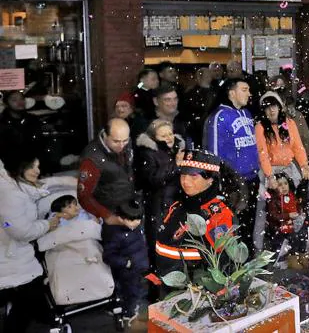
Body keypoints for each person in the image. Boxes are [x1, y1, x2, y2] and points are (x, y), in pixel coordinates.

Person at [78, 118, 148, 322]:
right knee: (123, 265)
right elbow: (84, 196)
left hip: (130, 209)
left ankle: (130, 300)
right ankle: (125, 306)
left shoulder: (125, 146)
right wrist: (109, 218)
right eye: (116, 141)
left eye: (126, 141)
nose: (122, 146)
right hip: (113, 218)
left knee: (135, 259)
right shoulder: (92, 158)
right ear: (104, 135)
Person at [0, 156, 61, 333]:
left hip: (11, 254)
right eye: (32, 167)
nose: (37, 171)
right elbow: (18, 230)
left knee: (29, 297)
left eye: (38, 166)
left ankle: (47, 317)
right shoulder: (8, 191)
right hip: (12, 259)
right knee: (26, 303)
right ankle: (49, 319)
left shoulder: (8, 182)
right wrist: (47, 225)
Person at [154, 150, 235, 279]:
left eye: (194, 176)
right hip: (167, 285)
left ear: (210, 179)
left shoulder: (217, 215)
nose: (185, 181)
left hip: (195, 291)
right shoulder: (178, 206)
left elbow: (224, 265)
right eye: (183, 174)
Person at [254, 91, 309, 251]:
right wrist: (269, 176)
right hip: (270, 170)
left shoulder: (289, 123)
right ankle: (260, 249)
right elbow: (262, 153)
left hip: (289, 170)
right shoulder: (260, 127)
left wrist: (304, 165)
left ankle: (297, 245)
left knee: (295, 205)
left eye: (273, 106)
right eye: (267, 108)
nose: (271, 111)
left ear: (280, 107)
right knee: (266, 209)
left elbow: (298, 147)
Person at [204, 78, 259, 246]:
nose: (249, 94)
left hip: (252, 178)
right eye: (244, 89)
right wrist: (218, 182)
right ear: (231, 92)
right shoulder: (219, 116)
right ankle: (234, 264)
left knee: (250, 225)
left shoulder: (247, 113)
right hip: (232, 183)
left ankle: (248, 259)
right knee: (232, 227)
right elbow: (212, 152)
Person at [37, 196, 115, 307]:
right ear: (60, 211)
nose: (75, 208)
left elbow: (96, 226)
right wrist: (57, 217)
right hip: (64, 248)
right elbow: (49, 235)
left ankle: (99, 287)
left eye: (75, 204)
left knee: (94, 263)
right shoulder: (56, 220)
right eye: (69, 207)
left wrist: (96, 222)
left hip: (87, 246)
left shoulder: (85, 215)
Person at [134, 119, 185, 268]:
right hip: (157, 206)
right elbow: (154, 180)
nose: (169, 138)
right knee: (158, 245)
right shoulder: (147, 154)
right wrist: (175, 165)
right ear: (153, 138)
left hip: (176, 204)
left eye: (170, 133)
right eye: (163, 136)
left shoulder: (178, 149)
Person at [0, 90, 44, 172]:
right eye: (14, 100)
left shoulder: (32, 119)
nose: (19, 102)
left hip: (33, 167)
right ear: (6, 104)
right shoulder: (2, 122)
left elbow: (39, 144)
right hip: (9, 170)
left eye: (21, 99)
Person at [184, 67, 217, 145]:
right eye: (207, 75)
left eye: (209, 74)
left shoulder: (216, 91)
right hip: (197, 127)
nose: (209, 76)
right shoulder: (191, 93)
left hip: (211, 124)